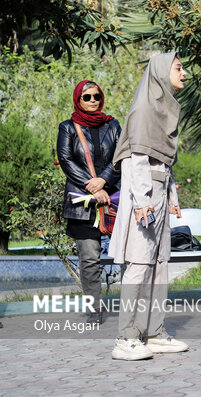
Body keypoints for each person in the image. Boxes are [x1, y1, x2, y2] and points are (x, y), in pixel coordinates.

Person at [108, 53, 189, 361]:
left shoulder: (162, 109)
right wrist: (143, 201)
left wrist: (171, 198)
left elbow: (163, 164)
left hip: (158, 194)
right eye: (178, 68)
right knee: (139, 265)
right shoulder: (143, 110)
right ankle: (125, 337)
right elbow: (135, 159)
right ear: (159, 72)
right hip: (142, 198)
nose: (184, 74)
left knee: (160, 265)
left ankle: (153, 332)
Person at [57, 80, 122, 325]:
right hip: (83, 203)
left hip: (112, 200)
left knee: (127, 256)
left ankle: (134, 306)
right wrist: (92, 185)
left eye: (96, 96)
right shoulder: (67, 128)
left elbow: (121, 158)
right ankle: (95, 310)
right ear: (78, 99)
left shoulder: (113, 125)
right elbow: (65, 160)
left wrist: (104, 181)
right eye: (87, 97)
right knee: (90, 260)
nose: (93, 100)